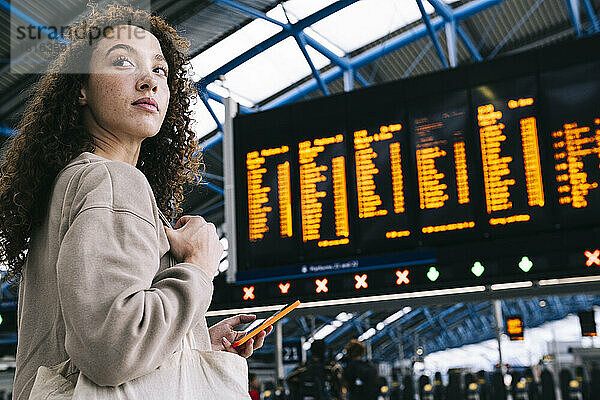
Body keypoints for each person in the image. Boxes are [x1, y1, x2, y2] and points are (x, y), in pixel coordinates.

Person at [0, 3, 272, 399]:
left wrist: (195, 341)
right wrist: (197, 267)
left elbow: (81, 342)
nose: (149, 81)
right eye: (123, 62)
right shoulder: (111, 180)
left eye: (160, 69)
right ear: (81, 88)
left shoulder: (66, 187)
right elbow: (112, 351)